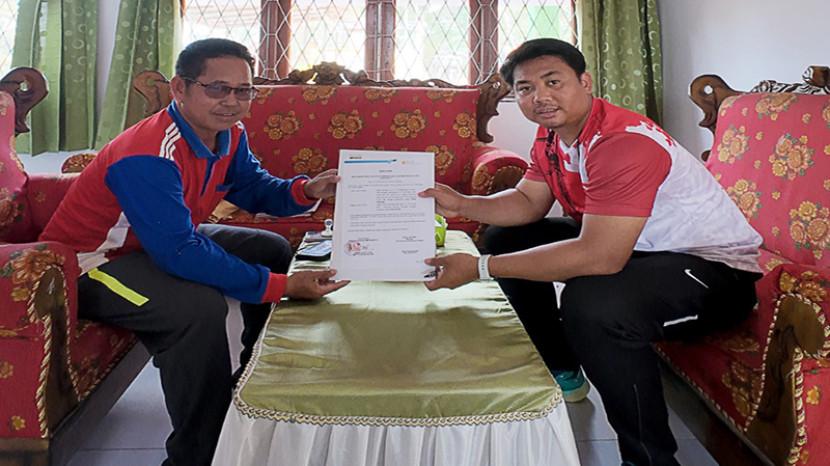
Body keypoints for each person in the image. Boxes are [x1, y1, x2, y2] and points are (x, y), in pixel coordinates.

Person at [419, 38, 761, 466]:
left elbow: (600, 257)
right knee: (507, 236)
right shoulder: (552, 135)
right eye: (525, 88)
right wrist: (462, 204)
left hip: (712, 270)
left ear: (585, 82)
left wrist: (480, 268)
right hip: (637, 247)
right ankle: (564, 369)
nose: (540, 97)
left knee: (593, 308)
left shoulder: (622, 142)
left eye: (553, 81)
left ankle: (649, 460)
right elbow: (527, 203)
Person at [40, 38, 348, 466]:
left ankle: (254, 380)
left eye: (243, 90)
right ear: (180, 88)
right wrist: (282, 286)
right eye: (217, 88)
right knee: (196, 309)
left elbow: (254, 188)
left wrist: (307, 190)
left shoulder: (229, 134)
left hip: (156, 242)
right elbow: (179, 253)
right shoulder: (148, 153)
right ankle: (198, 454)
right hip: (91, 265)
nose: (232, 101)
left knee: (269, 248)